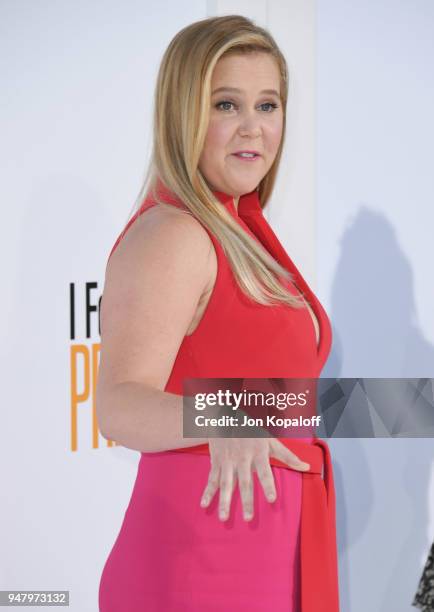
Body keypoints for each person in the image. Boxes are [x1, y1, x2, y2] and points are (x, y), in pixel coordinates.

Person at [97, 14, 339, 612]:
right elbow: (118, 404)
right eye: (226, 104)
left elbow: (280, 399)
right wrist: (225, 417)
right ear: (184, 114)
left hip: (268, 549)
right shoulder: (175, 234)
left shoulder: (240, 230)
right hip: (201, 563)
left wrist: (409, 407)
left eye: (269, 104)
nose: (253, 128)